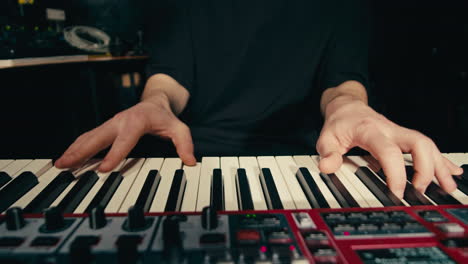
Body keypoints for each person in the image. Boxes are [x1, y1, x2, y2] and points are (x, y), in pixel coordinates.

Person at [55, 0, 462, 199]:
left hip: (310, 161)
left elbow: (343, 84)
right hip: (198, 161)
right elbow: (169, 80)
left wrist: (352, 108)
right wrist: (153, 104)